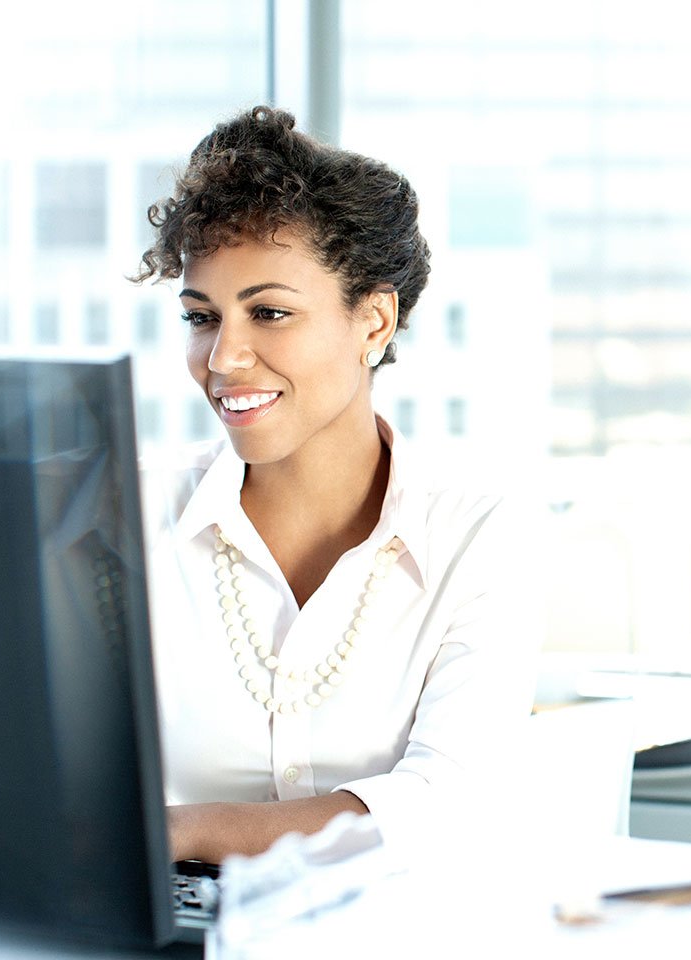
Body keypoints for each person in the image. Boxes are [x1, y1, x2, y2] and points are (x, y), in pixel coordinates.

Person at [131, 105, 541, 866]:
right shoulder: (126, 516)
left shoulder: (477, 532)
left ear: (375, 322)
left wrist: (171, 832)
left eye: (270, 313)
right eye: (202, 317)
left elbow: (445, 802)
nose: (224, 358)